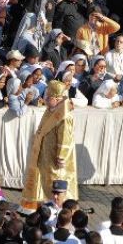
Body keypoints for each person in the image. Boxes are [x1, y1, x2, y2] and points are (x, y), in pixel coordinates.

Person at [21, 80, 78, 209]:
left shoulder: (64, 116)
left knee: (54, 182)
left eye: (48, 97)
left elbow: (65, 139)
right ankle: (46, 205)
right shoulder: (50, 110)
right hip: (45, 154)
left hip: (54, 158)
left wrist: (61, 157)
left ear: (57, 99)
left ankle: (58, 208)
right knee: (45, 181)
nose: (45, 99)